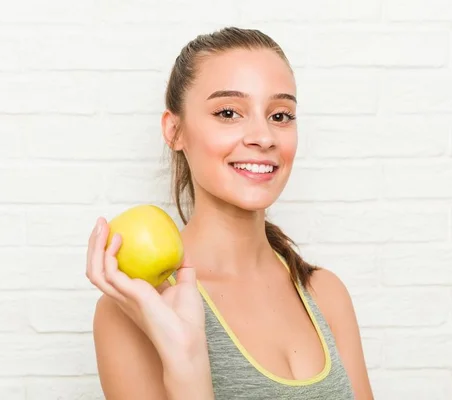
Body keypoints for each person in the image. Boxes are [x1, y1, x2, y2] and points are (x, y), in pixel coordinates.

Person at [86, 26, 374, 399]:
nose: (264, 137)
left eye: (281, 115)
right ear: (174, 131)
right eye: (228, 112)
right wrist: (185, 361)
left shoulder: (325, 293)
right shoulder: (134, 309)